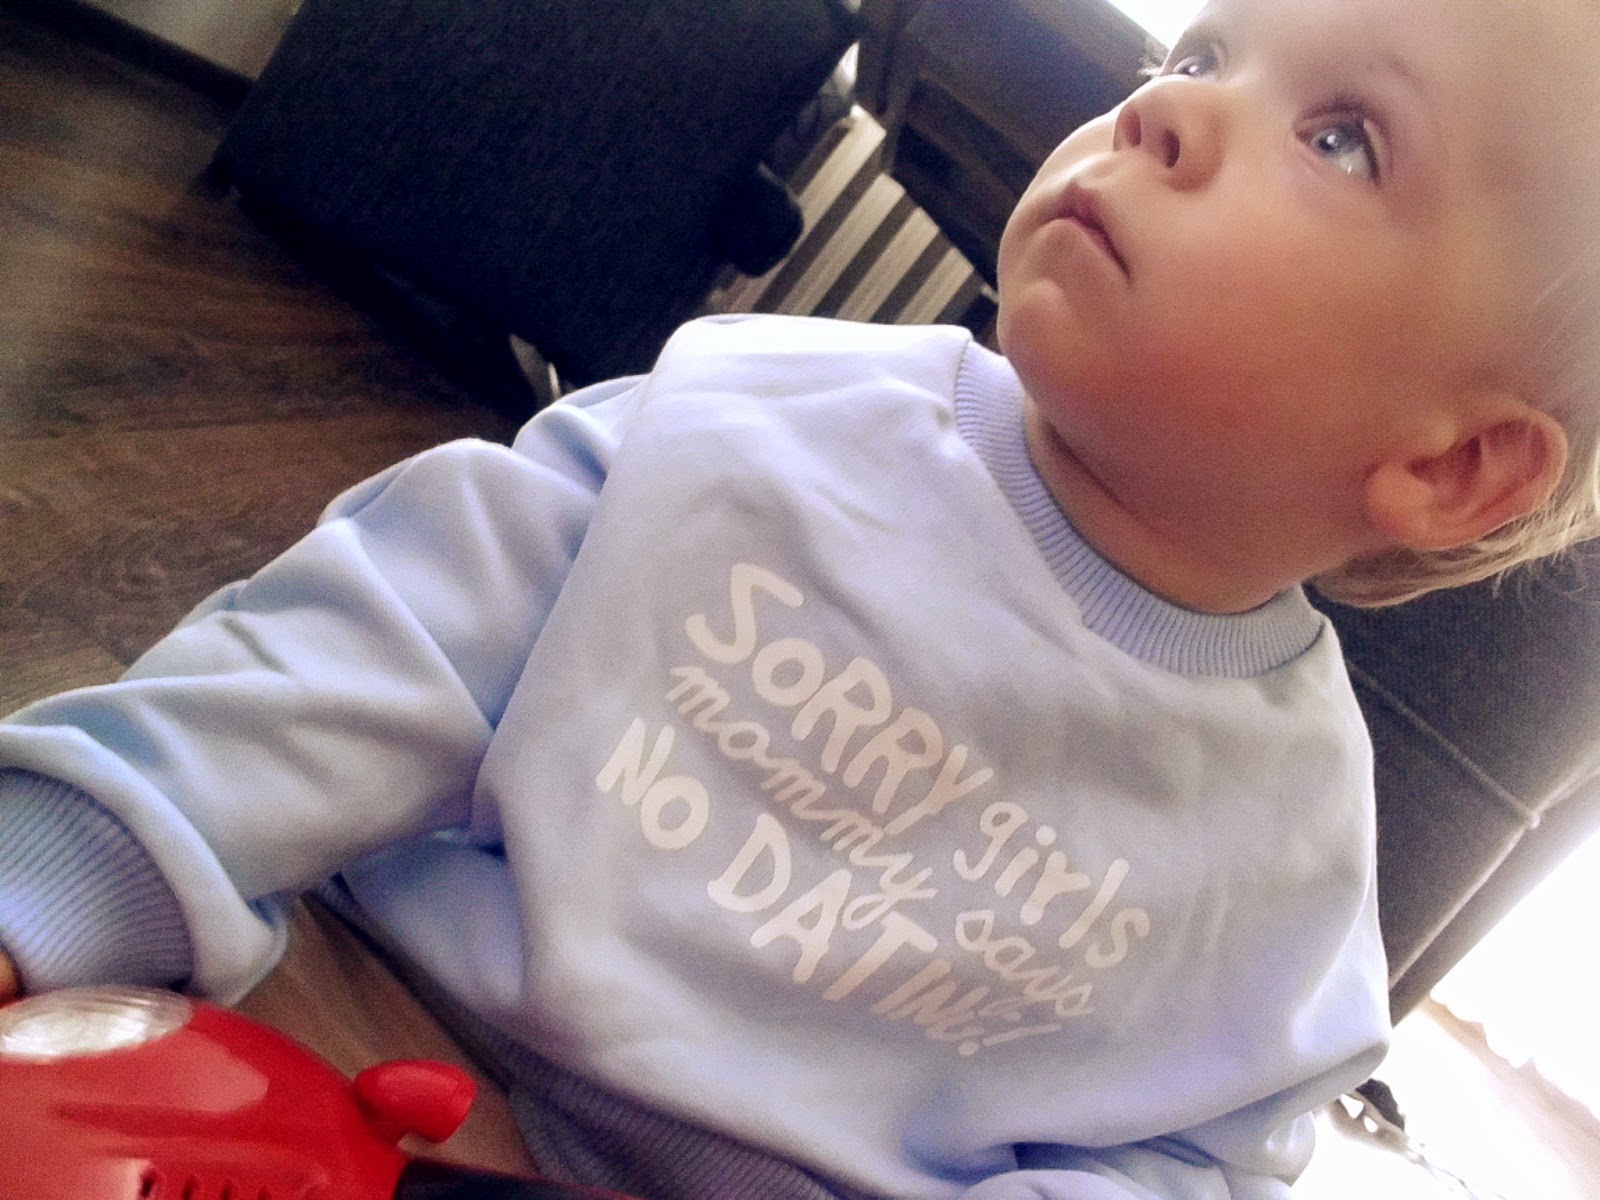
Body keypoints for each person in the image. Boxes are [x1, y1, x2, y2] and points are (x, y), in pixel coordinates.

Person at [2, 0, 1597, 1195]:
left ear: (1453, 466)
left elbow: (1193, 1160)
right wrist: (60, 884)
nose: (1165, 112)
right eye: (1202, 54)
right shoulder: (751, 416)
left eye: (1342, 138)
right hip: (357, 1023)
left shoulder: (1290, 856)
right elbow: (352, 659)